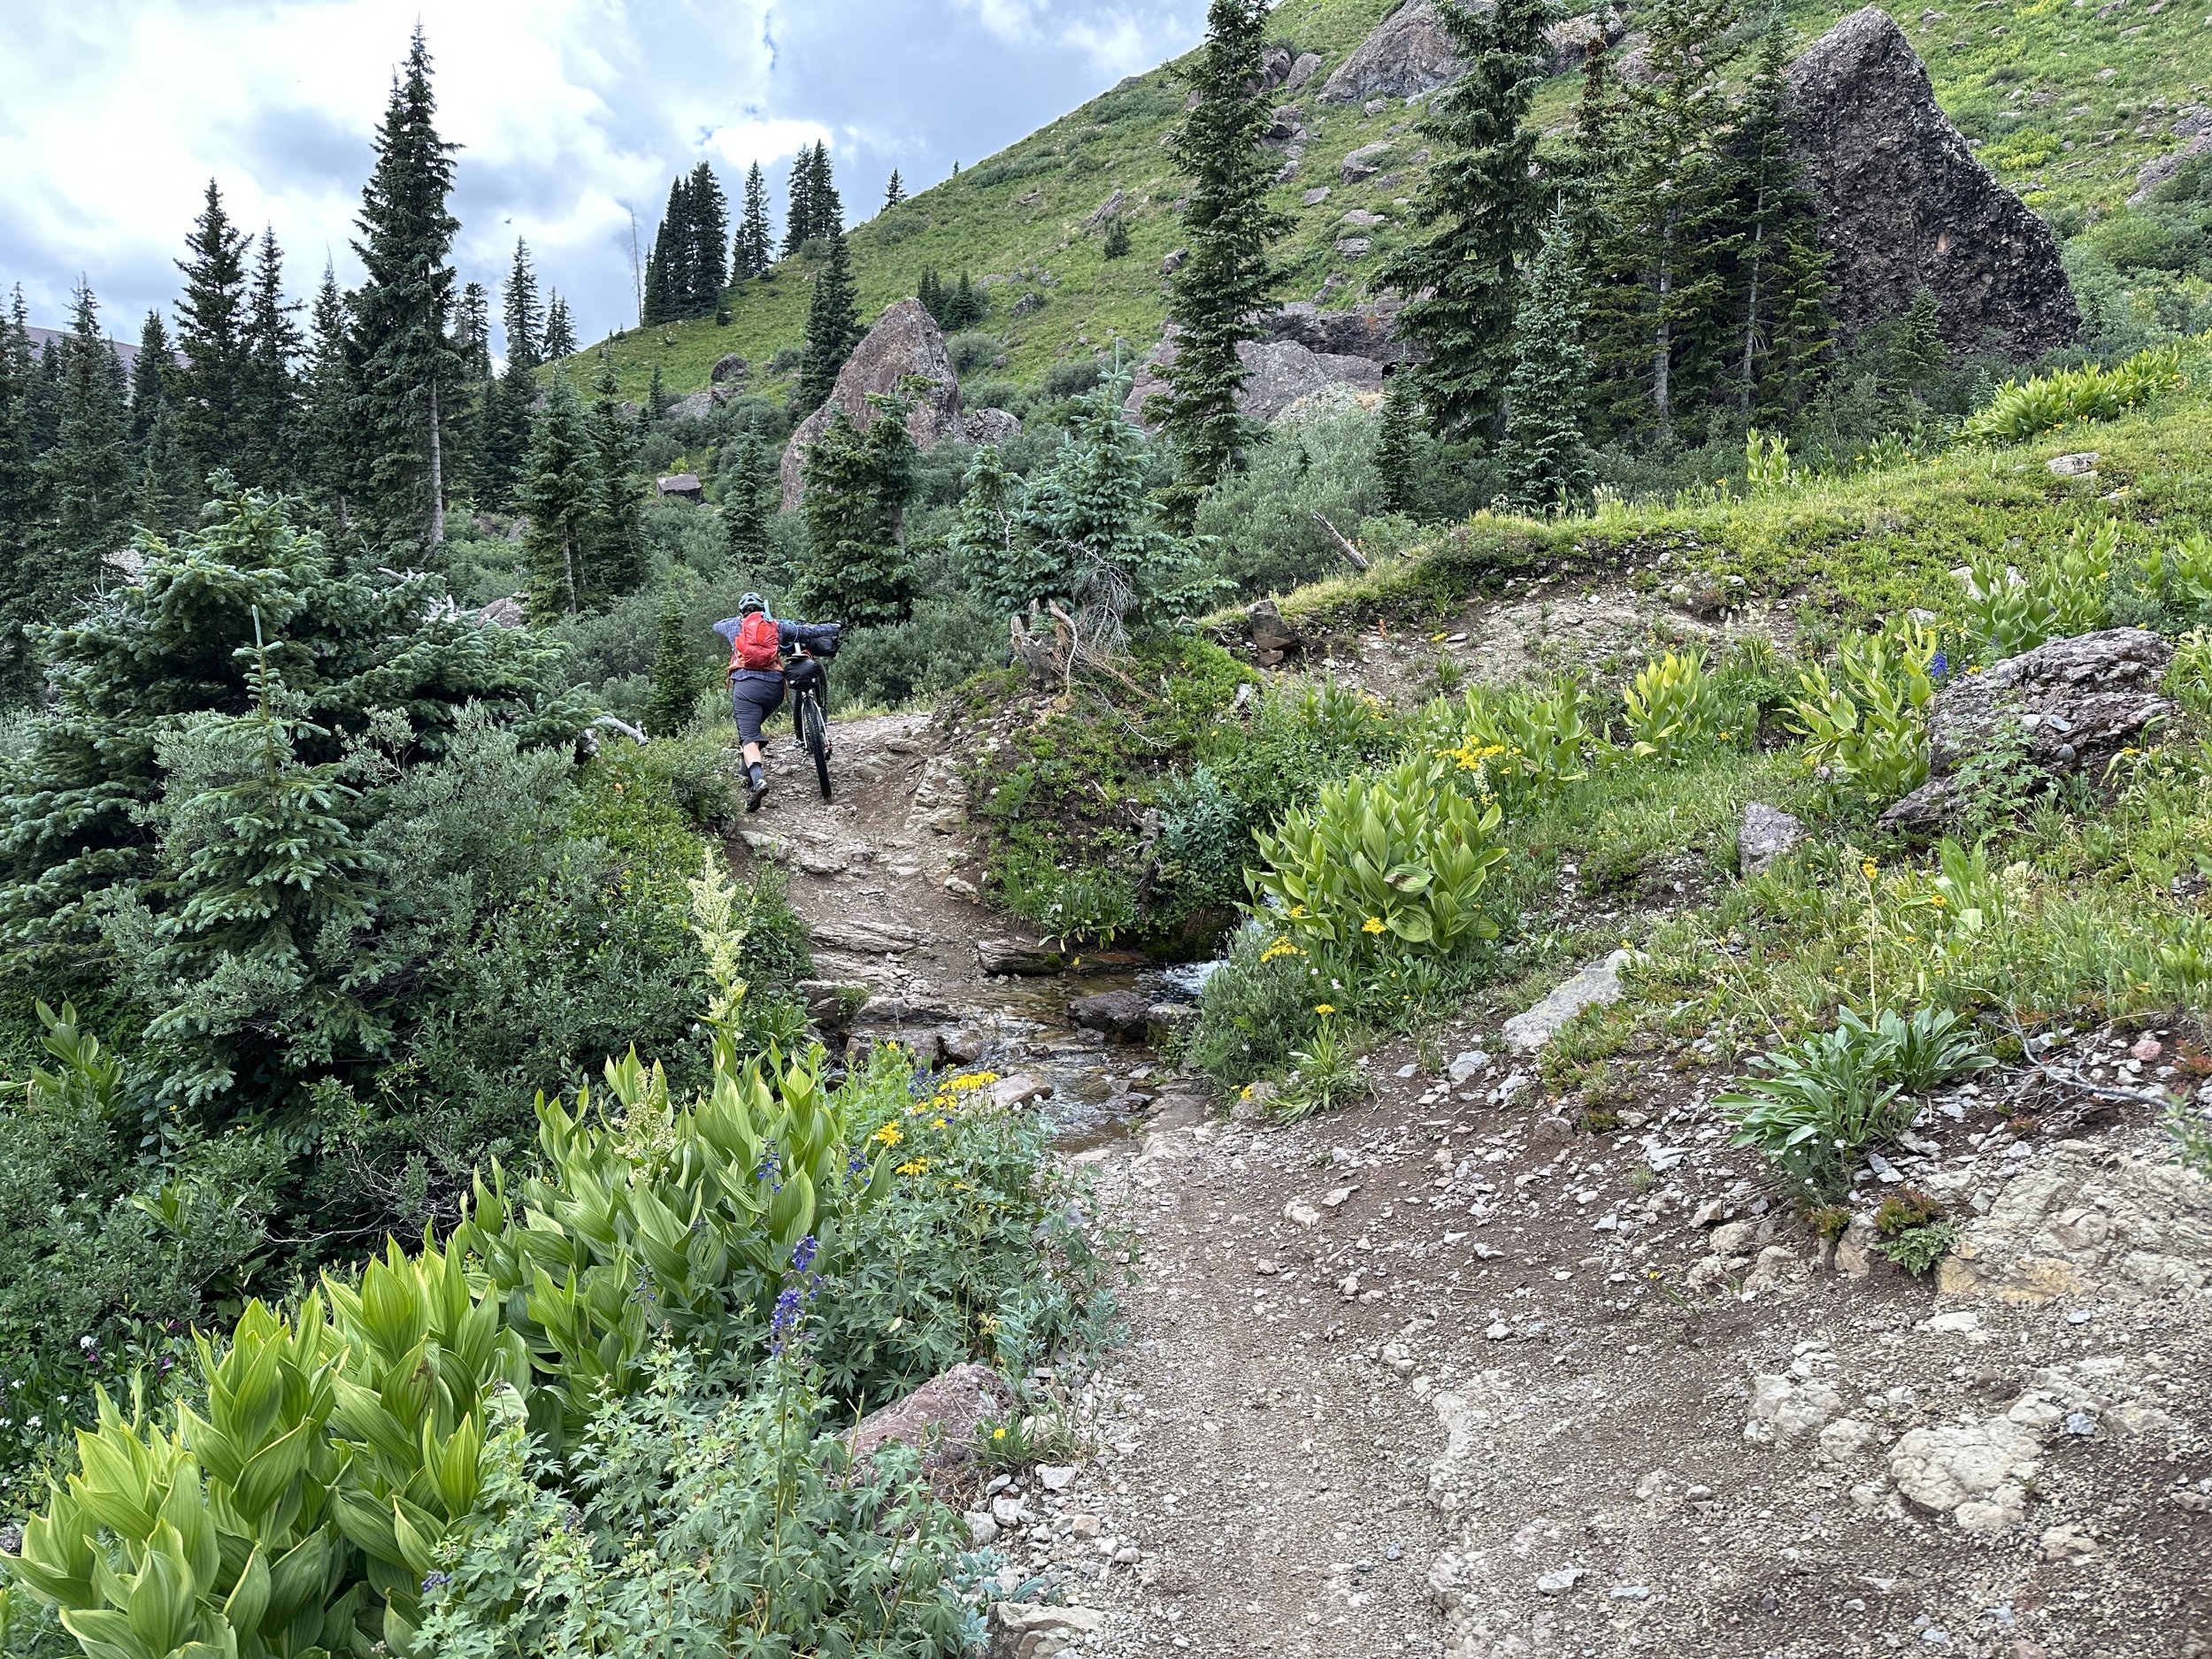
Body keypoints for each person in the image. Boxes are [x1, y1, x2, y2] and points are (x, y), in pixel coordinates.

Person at [712, 593, 841, 810]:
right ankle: (745, 773)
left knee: (749, 736)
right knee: (751, 731)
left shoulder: (732, 626)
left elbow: (716, 626)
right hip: (774, 689)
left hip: (745, 687)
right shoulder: (777, 626)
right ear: (763, 609)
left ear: (742, 612)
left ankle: (758, 779)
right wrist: (835, 627)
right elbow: (810, 631)